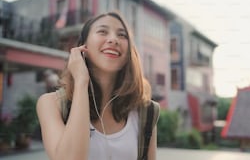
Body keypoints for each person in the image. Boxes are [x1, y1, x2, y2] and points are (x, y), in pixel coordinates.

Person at [36, 11, 159, 160]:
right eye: (102, 31)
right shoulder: (50, 104)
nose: (114, 39)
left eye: (122, 35)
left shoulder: (146, 112)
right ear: (83, 47)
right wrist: (81, 81)